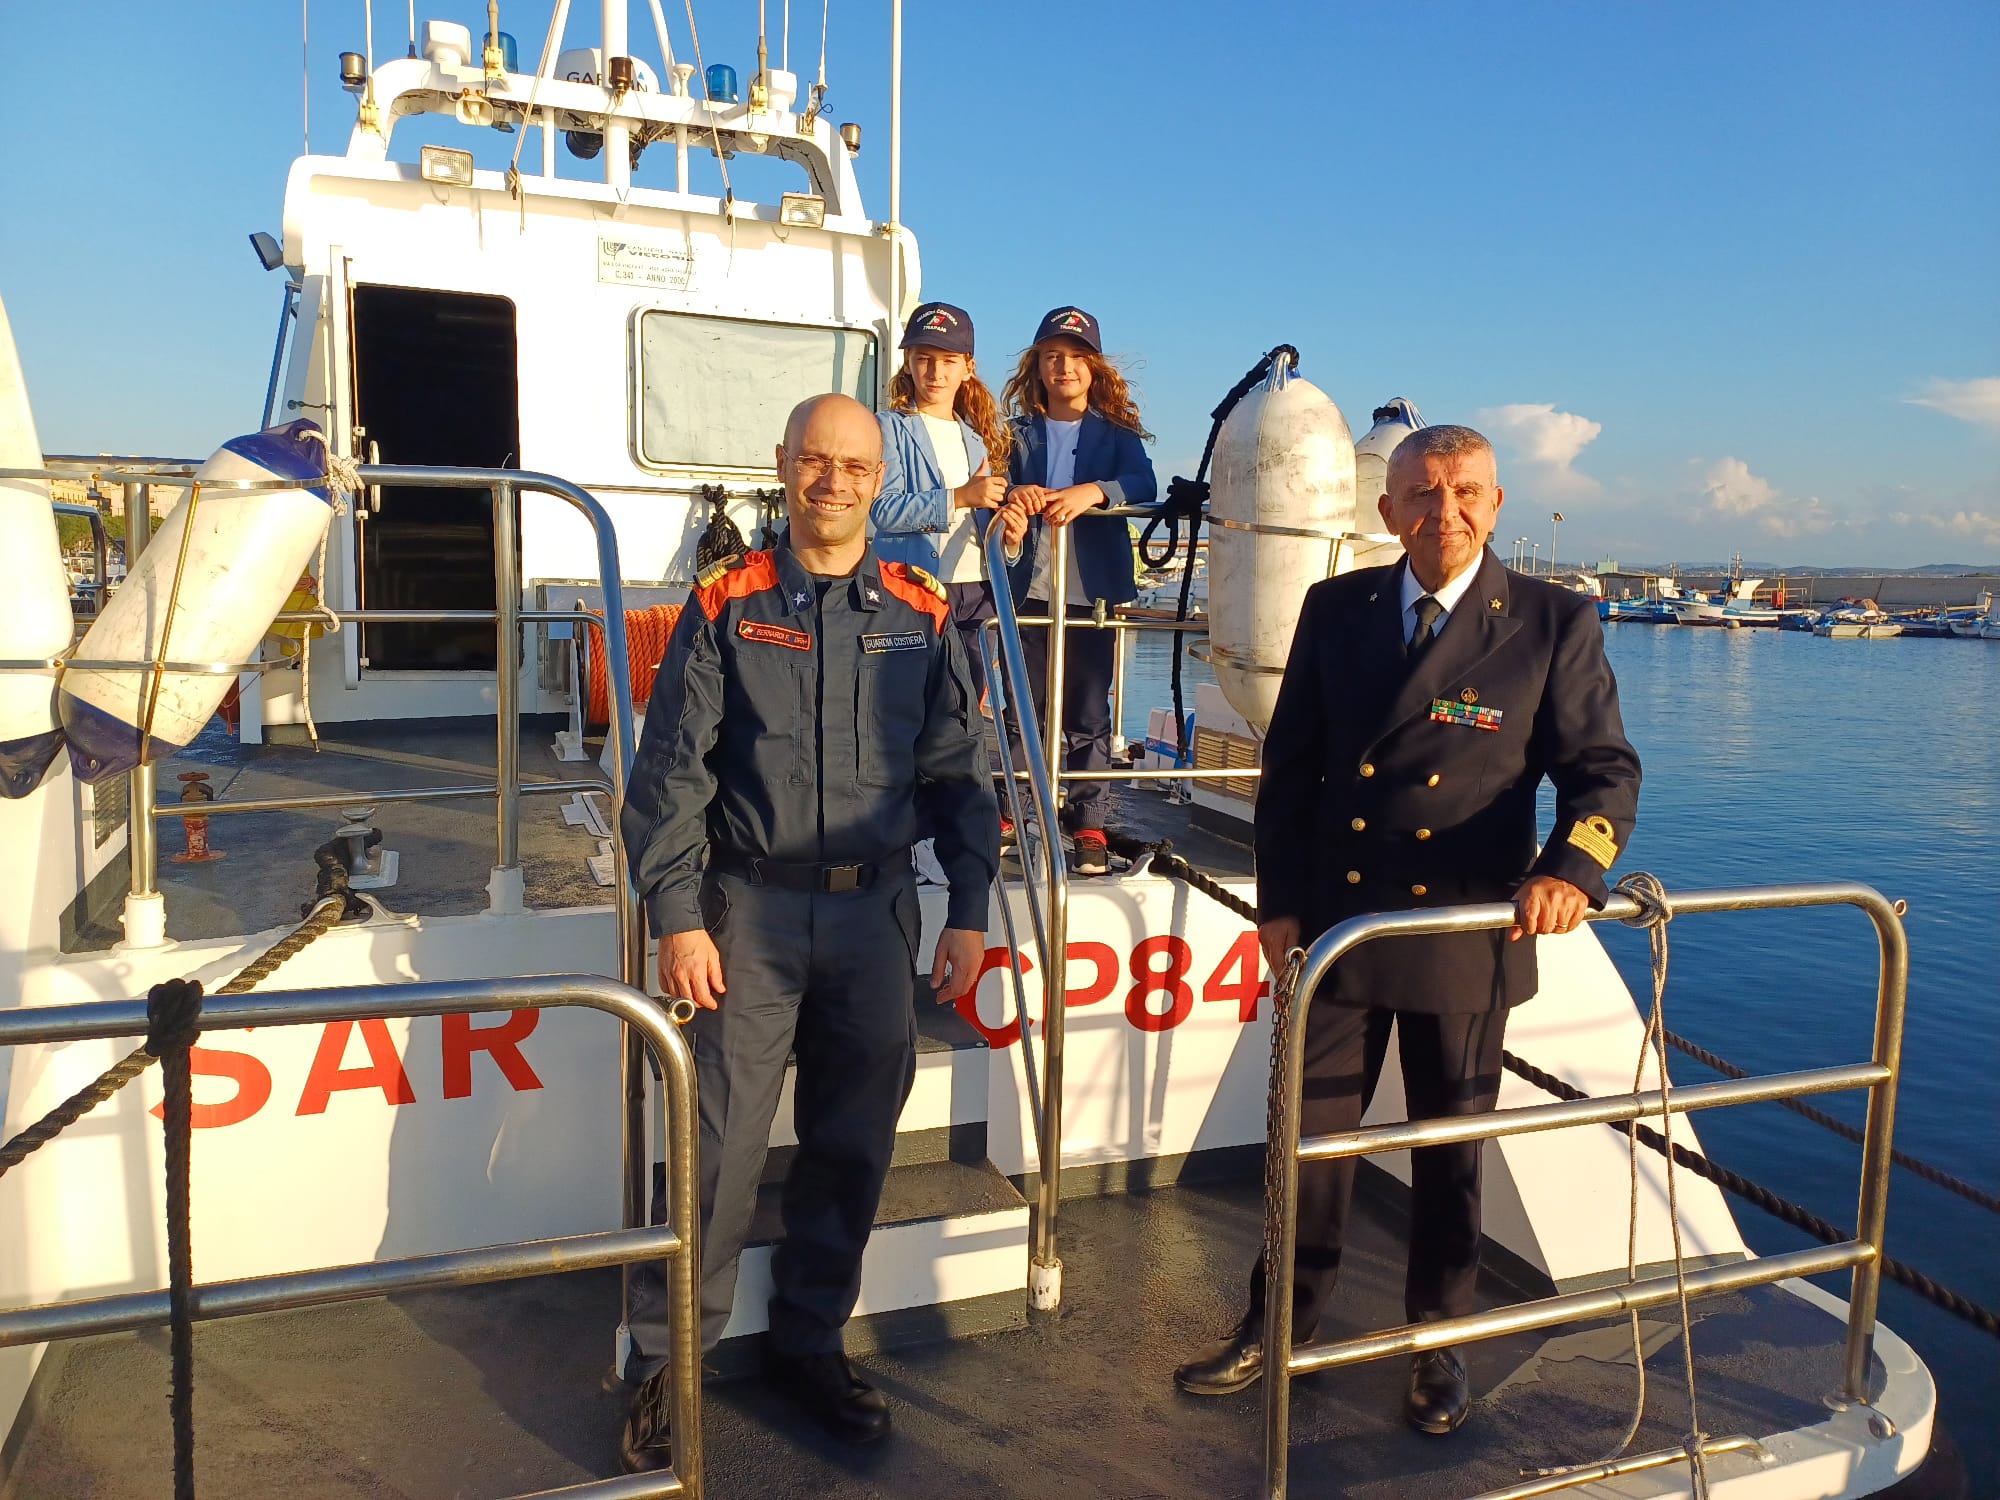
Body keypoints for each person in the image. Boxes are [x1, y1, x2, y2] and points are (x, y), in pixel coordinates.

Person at [1172, 424, 1640, 1435]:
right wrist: (1281, 906)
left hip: (1464, 937)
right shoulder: (1334, 608)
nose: (1445, 512)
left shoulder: (1551, 622)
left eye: (1464, 492)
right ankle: (1276, 1325)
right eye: (1422, 496)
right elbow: (1289, 772)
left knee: (1448, 1155)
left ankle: (1436, 1350)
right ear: (1385, 513)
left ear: (1496, 501)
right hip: (1340, 928)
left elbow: (1602, 768)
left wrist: (1573, 866)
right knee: (1308, 1148)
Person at [617, 393, 1000, 1471]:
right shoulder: (727, 601)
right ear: (783, 466)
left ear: (880, 481)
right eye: (813, 461)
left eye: (853, 466)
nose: (831, 481)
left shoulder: (921, 610)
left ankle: (807, 1344)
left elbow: (959, 777)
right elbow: (669, 777)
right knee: (715, 1157)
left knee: (850, 1147)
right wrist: (678, 919)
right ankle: (662, 1364)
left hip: (876, 917)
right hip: (748, 915)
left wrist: (968, 910)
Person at [998, 305, 1157, 874]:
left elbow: (1143, 482)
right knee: (1024, 709)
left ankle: (1088, 822)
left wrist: (1092, 492)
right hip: (1028, 594)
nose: (1063, 367)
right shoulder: (1013, 435)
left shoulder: (1116, 436)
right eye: (1051, 356)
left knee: (1088, 714)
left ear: (1094, 368)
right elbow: (995, 488)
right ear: (1037, 366)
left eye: (1074, 357)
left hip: (1092, 599)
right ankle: (1019, 812)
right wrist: (1013, 498)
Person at [869, 300, 1024, 707]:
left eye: (948, 360)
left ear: (967, 368)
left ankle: (959, 772)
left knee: (968, 701)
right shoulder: (888, 427)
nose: (936, 372)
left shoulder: (977, 440)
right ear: (908, 363)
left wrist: (1010, 541)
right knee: (910, 702)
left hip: (977, 590)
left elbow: (984, 526)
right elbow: (881, 511)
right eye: (924, 359)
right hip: (912, 585)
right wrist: (959, 497)